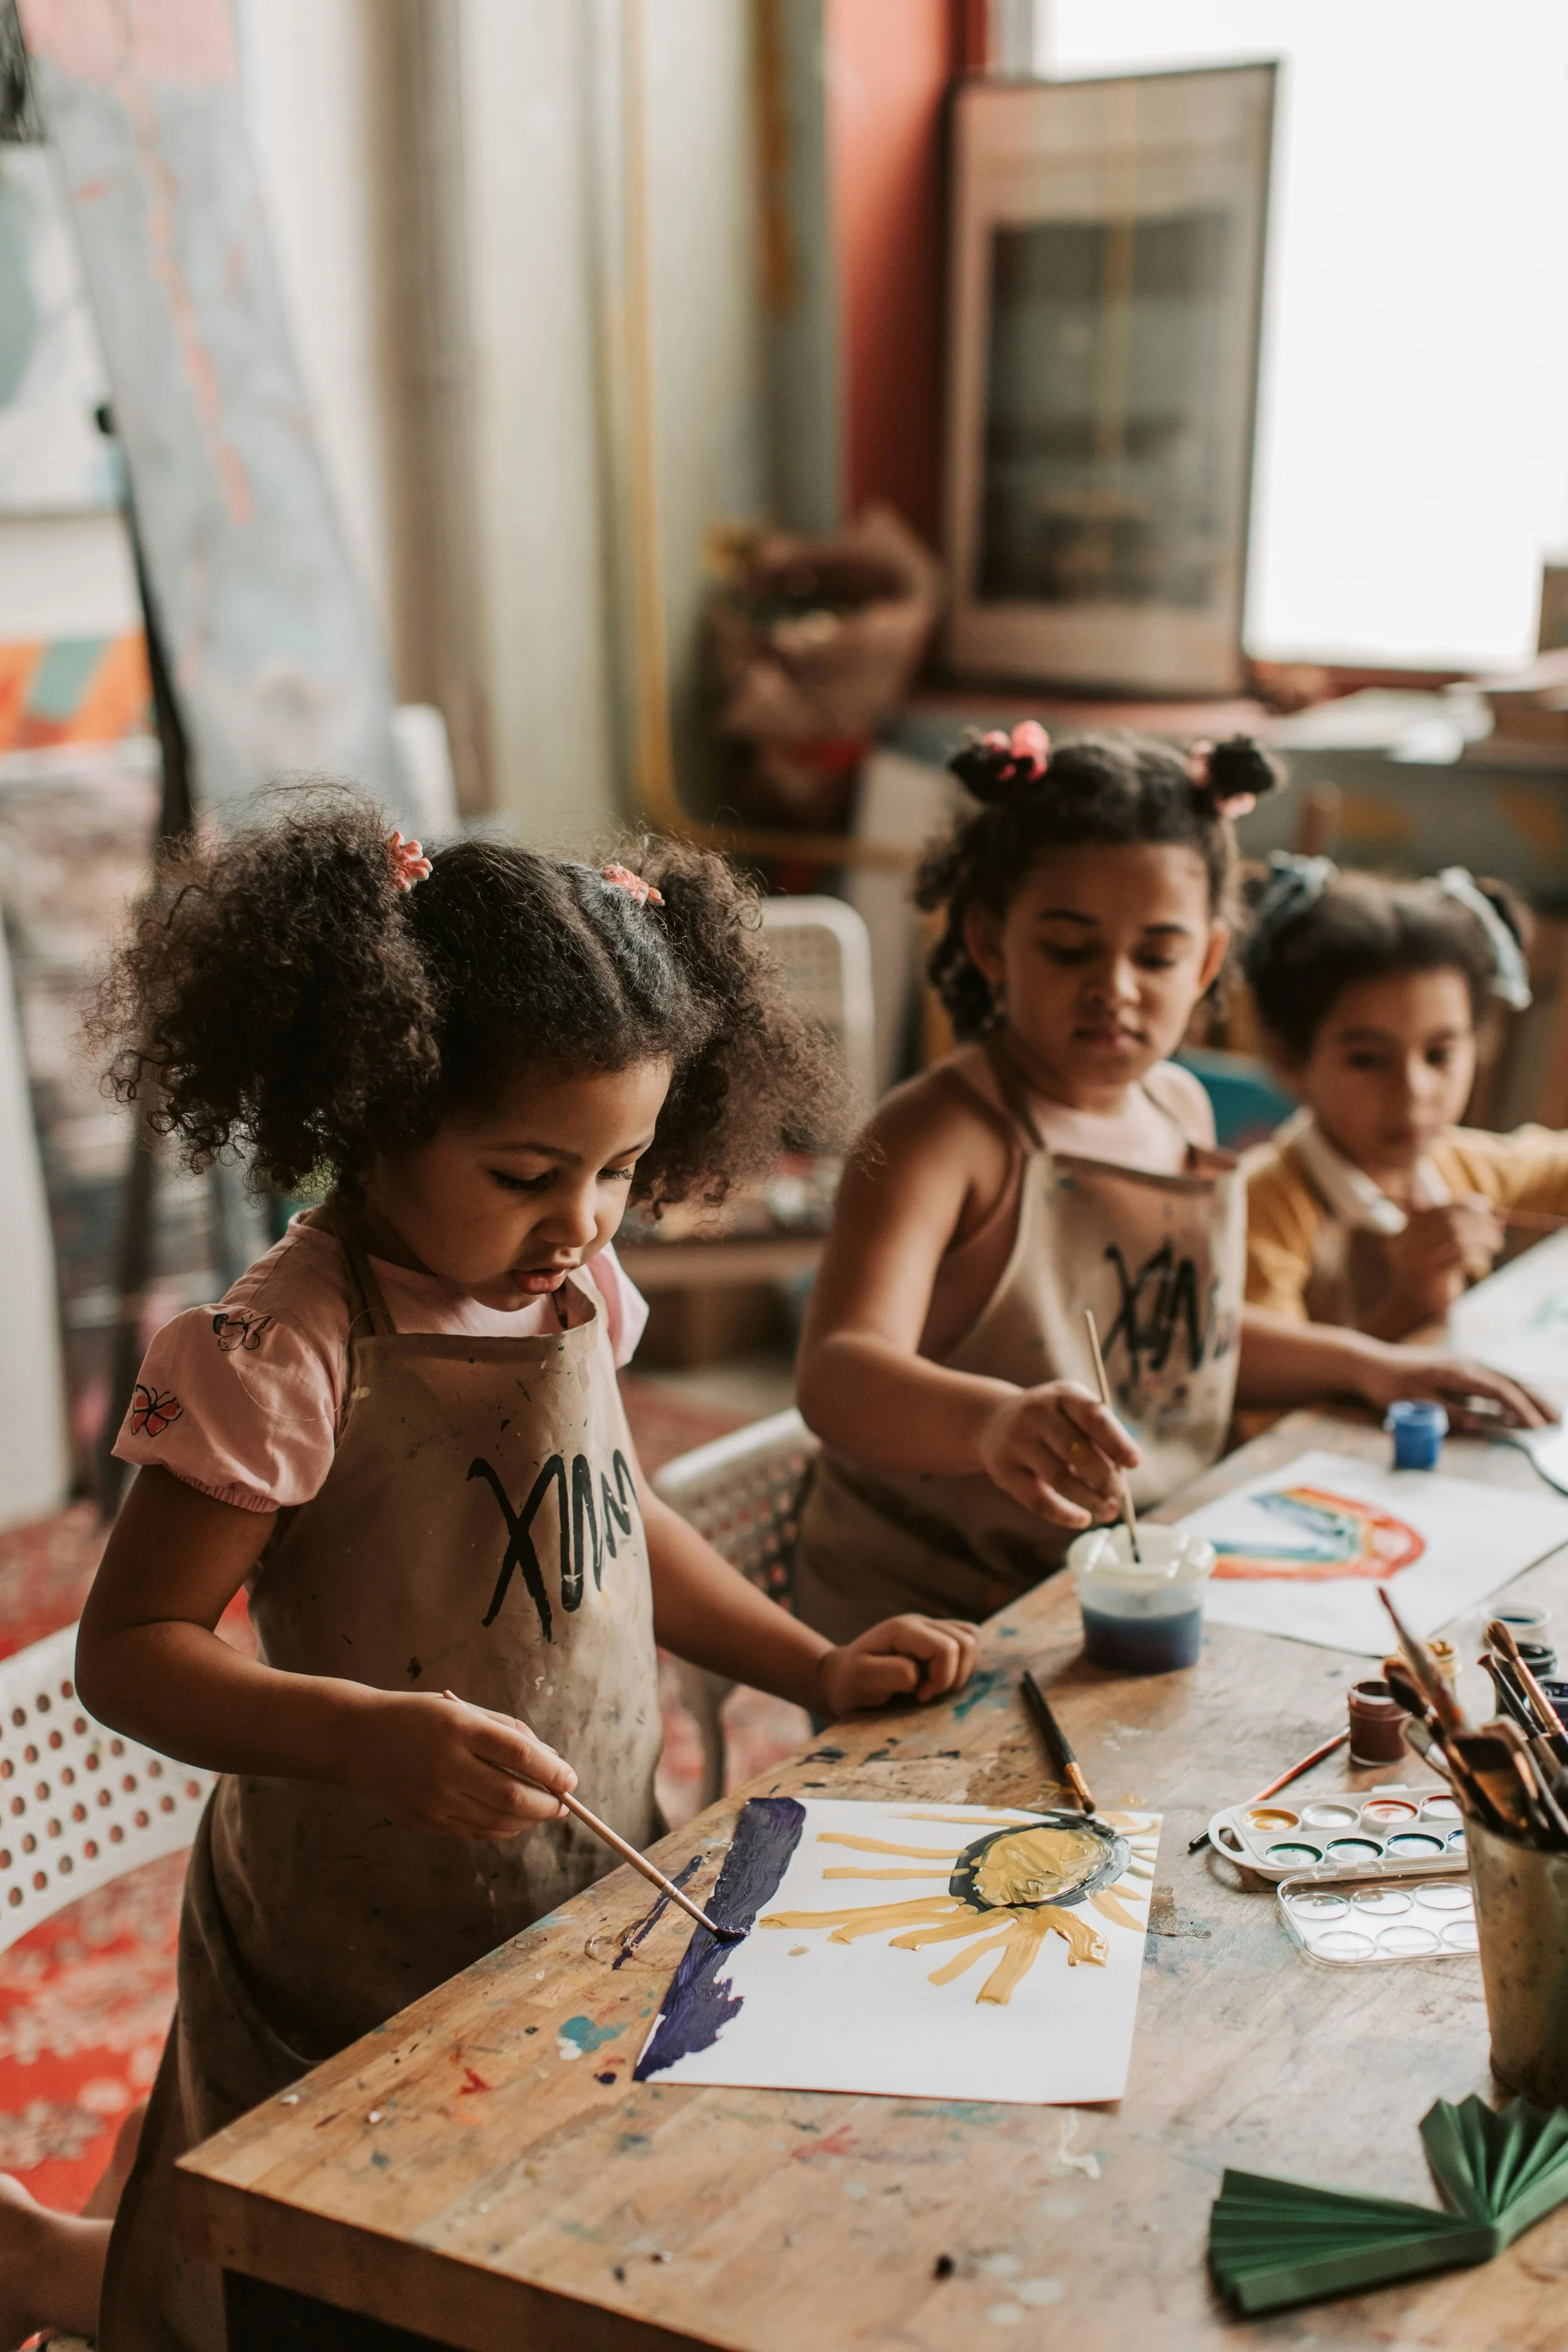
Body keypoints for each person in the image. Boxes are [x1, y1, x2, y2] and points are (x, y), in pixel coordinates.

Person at [0, 796, 978, 2351]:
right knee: (306, 2276)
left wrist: (809, 1663)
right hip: (349, 1926)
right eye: (530, 1170)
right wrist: (360, 1733)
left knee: (533, 2219)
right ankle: (61, 2271)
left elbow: (606, 1513)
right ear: (380, 1111)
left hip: (569, 1884)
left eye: (619, 1166)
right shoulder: (284, 1347)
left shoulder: (573, 1276)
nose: (581, 1220)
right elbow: (131, 1647)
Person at [792, 726, 1554, 1643]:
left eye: (1155, 957)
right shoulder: (940, 1137)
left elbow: (1191, 1332)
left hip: (1126, 1568)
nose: (1114, 986)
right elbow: (837, 1373)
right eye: (1071, 948)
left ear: (1204, 962)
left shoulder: (1181, 1107)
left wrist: (1367, 1363)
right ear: (993, 940)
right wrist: (992, 1423)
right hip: (939, 1606)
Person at [1241, 855, 1568, 1338]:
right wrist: (1411, 1303)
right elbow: (1267, 1393)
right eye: (1368, 1060)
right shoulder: (1265, 1206)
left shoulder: (1461, 1168)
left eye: (1439, 1055)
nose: (1413, 1093)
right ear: (1291, 1059)